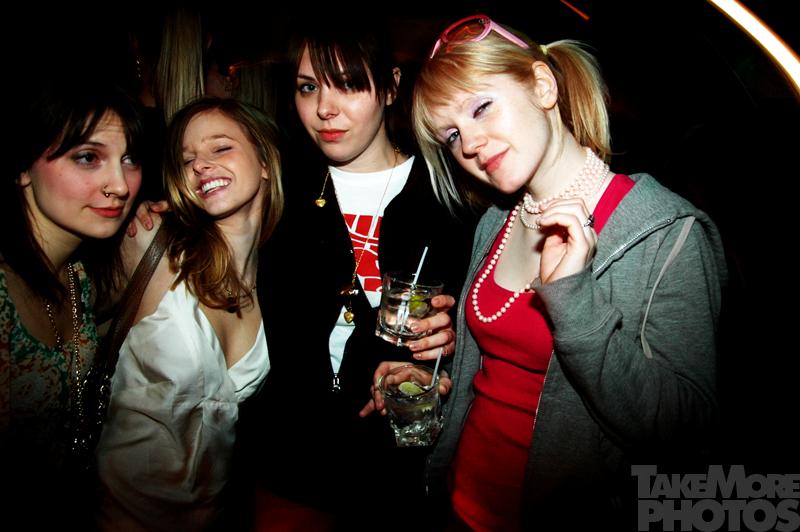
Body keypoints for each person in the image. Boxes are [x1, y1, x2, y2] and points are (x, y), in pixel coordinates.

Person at [377, 14, 728, 530]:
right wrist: (437, 379)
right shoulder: (496, 221)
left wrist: (576, 301)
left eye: (481, 107)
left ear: (542, 85)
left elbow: (685, 430)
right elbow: (501, 371)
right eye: (452, 135)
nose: (469, 144)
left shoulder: (665, 232)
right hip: (458, 502)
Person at [234, 17, 478, 530]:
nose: (325, 108)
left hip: (396, 478)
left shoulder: (451, 199)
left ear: (390, 87)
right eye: (308, 87)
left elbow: (484, 340)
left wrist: (449, 350)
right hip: (289, 469)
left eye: (347, 83)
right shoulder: (280, 195)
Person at [94, 97, 283, 531]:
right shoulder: (152, 242)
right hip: (114, 515)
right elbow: (65, 317)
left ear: (265, 161)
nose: (200, 165)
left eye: (220, 147)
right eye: (187, 160)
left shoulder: (277, 283)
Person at [1, 71, 145, 528]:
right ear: (23, 167)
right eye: (88, 157)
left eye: (129, 159)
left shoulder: (76, 276)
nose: (119, 185)